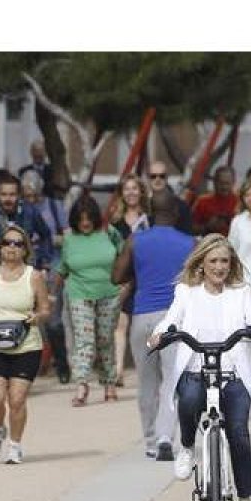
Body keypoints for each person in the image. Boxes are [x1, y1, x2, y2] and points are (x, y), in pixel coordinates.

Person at [151, 235, 251, 501]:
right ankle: (188, 448)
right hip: (196, 368)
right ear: (201, 264)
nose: (219, 267)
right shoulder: (186, 292)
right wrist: (159, 334)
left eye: (224, 261)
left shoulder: (241, 292)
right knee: (190, 398)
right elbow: (171, 319)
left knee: (240, 435)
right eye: (213, 261)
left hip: (233, 372)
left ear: (231, 265)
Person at [112, 189, 196, 459]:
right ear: (176, 211)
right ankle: (165, 437)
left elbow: (116, 276)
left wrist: (139, 272)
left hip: (143, 317)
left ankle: (149, 441)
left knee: (147, 382)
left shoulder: (136, 241)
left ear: (149, 210)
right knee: (173, 380)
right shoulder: (191, 243)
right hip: (174, 318)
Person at [0, 224, 51, 465]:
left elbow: (45, 307)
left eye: (18, 243)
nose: (12, 248)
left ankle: (15, 445)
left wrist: (38, 317)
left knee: (16, 399)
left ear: (25, 249)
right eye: (8, 242)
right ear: (0, 247)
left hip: (26, 344)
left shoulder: (34, 276)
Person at [58, 195, 123, 406]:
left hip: (109, 292)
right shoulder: (69, 238)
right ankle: (82, 385)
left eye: (88, 218)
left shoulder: (109, 232)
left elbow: (124, 255)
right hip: (79, 293)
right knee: (84, 341)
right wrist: (50, 292)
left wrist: (126, 283)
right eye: (80, 218)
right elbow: (63, 267)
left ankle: (109, 383)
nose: (84, 222)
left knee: (105, 339)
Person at [20, 169, 70, 386]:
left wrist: (48, 239)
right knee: (28, 320)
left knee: (53, 321)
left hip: (51, 268)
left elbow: (67, 236)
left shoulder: (54, 207)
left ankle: (62, 363)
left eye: (33, 195)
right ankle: (28, 367)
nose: (30, 200)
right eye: (26, 195)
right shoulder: (22, 210)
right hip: (28, 269)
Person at [110, 174, 151, 388]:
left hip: (145, 279)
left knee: (144, 326)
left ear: (141, 192)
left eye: (135, 188)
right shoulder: (115, 223)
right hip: (124, 279)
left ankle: (147, 369)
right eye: (127, 189)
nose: (131, 193)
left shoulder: (149, 219)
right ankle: (118, 371)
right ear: (122, 194)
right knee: (121, 324)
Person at [0, 172, 53, 272]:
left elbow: (46, 235)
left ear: (19, 195)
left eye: (12, 194)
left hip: (23, 270)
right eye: (4, 194)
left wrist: (43, 263)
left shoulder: (30, 211)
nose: (8, 199)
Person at [145, 161, 194, 235]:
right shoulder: (144, 205)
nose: (157, 179)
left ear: (166, 178)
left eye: (162, 176)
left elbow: (187, 235)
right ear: (148, 179)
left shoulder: (181, 206)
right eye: (153, 176)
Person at [191, 166, 239, 237]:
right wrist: (207, 227)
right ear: (214, 182)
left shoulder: (241, 202)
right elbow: (190, 228)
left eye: (227, 183)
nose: (224, 187)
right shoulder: (202, 202)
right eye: (221, 183)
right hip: (210, 244)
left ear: (233, 183)